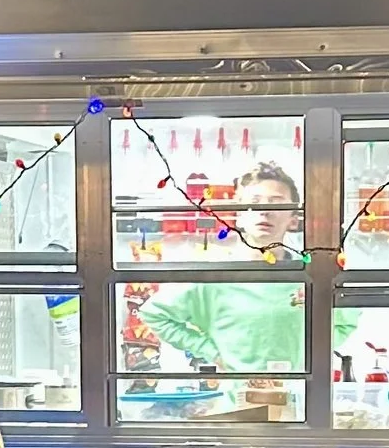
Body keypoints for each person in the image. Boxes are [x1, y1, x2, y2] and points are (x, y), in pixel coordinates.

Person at [139, 164, 359, 406]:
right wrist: (211, 351)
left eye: (276, 203)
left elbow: (345, 321)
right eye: (254, 202)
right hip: (235, 412)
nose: (265, 211)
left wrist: (307, 355)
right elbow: (154, 313)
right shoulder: (214, 275)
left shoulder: (312, 275)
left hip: (302, 411)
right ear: (239, 215)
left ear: (293, 219)